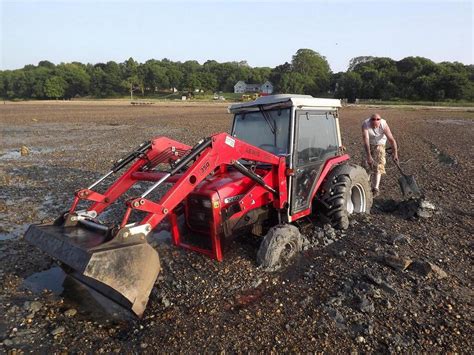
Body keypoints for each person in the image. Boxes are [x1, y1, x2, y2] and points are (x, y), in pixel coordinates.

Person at [361, 113, 398, 196]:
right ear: (370, 121)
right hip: (369, 144)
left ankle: (375, 188)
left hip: (380, 144)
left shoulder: (384, 124)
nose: (375, 125)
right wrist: (369, 156)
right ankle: (366, 185)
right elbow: (366, 140)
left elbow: (391, 139)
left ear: (380, 121)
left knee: (378, 166)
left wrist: (395, 153)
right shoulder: (365, 124)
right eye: (373, 122)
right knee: (366, 165)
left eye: (377, 121)